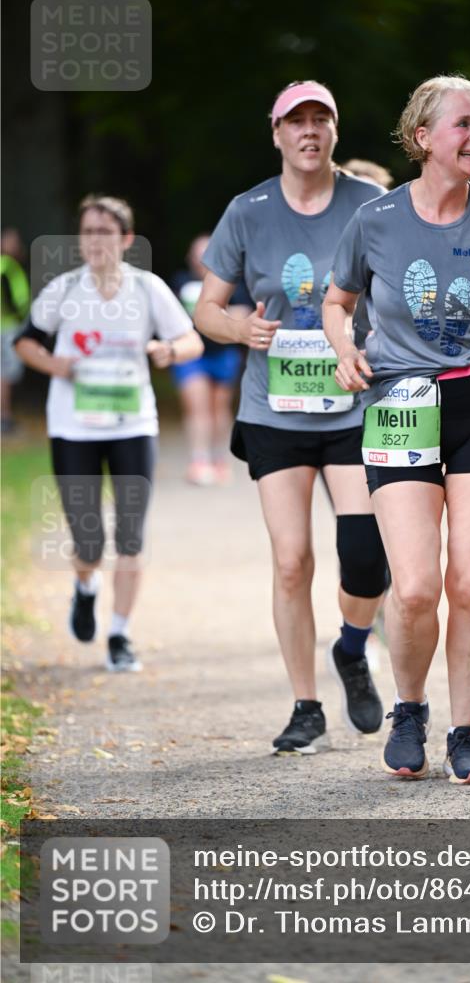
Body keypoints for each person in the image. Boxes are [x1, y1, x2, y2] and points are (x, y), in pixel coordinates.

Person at [323, 75, 470, 784]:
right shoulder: (376, 220)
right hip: (398, 398)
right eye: (462, 124)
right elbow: (337, 301)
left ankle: (466, 730)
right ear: (422, 137)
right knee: (416, 588)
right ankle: (410, 708)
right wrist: (344, 347)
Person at [195, 81, 389, 755]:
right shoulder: (246, 211)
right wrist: (236, 326)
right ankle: (305, 705)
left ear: (335, 131)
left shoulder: (371, 204)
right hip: (274, 407)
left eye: (320, 120)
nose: (308, 132)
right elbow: (206, 308)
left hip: (353, 401)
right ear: (275, 132)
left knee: (365, 555)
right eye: (295, 122)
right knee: (290, 562)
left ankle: (353, 647)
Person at [14, 194, 202, 672]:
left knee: (131, 536)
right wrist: (54, 363)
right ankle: (85, 586)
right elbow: (25, 342)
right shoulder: (64, 289)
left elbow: (192, 339)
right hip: (73, 427)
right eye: (88, 232)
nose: (95, 241)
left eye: (104, 232)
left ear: (125, 240)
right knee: (89, 539)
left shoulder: (148, 289)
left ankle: (119, 634)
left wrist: (169, 351)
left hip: (133, 425)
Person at [171, 234, 252, 485]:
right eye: (197, 253)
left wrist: (217, 317)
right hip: (192, 355)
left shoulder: (231, 283)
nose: (201, 259)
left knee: (219, 407)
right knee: (197, 405)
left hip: (223, 352)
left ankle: (219, 459)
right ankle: (198, 460)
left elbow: (245, 312)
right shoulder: (181, 282)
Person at [1, 228, 31, 433]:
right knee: (5, 374)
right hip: (8, 327)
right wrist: (23, 319)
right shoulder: (7, 267)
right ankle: (4, 417)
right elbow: (15, 300)